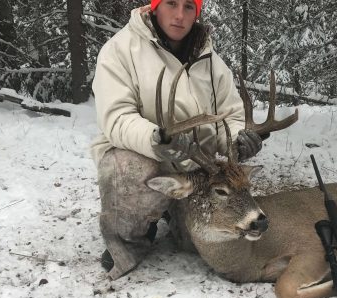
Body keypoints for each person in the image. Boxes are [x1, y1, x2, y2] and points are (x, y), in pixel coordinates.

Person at [91, 0, 263, 280]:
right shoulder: (121, 50)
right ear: (155, 6)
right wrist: (156, 138)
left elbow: (230, 115)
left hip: (199, 168)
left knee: (195, 244)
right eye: (171, 3)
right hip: (148, 158)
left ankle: (173, 214)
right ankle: (130, 239)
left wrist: (237, 139)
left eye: (189, 7)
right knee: (127, 168)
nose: (180, 15)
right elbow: (116, 117)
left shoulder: (210, 61)